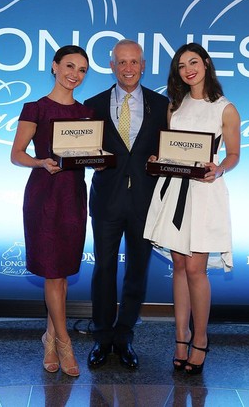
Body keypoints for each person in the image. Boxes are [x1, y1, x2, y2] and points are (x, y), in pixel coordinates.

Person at [144, 43, 240, 375]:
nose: (189, 70)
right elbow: (169, 147)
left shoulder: (225, 108)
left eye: (194, 62)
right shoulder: (175, 106)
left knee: (197, 270)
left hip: (204, 192)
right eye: (182, 65)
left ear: (207, 64)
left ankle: (200, 339)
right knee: (181, 268)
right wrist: (158, 159)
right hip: (173, 190)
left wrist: (220, 167)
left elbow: (233, 154)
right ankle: (180, 338)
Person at [84, 39, 168, 369]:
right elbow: (84, 149)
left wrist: (163, 158)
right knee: (103, 268)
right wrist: (87, 159)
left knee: (137, 270)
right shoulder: (92, 104)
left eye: (134, 62)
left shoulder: (163, 106)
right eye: (121, 62)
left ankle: (124, 335)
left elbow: (171, 150)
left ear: (144, 65)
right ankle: (103, 337)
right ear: (112, 66)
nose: (128, 68)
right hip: (106, 199)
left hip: (146, 201)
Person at [10, 45, 93, 377]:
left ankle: (49, 337)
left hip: (74, 194)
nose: (75, 74)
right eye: (70, 66)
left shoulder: (87, 114)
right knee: (52, 272)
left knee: (62, 272)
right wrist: (40, 162)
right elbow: (16, 154)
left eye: (82, 69)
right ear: (54, 67)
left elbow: (90, 155)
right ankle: (63, 342)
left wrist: (98, 161)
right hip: (44, 195)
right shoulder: (36, 108)